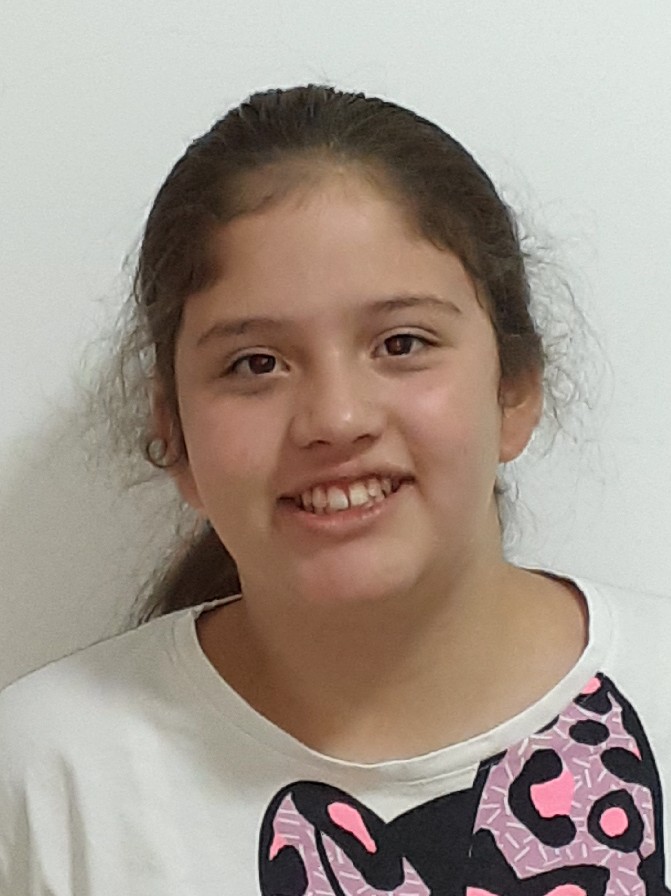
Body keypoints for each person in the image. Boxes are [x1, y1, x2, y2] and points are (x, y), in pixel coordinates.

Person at [1, 84, 670, 896]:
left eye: (401, 343)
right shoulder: (46, 782)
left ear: (514, 389)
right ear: (174, 434)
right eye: (255, 363)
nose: (335, 419)